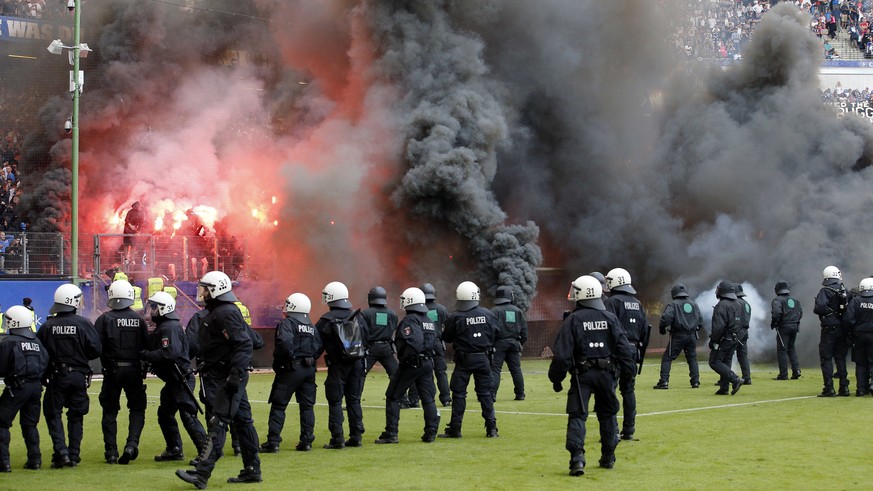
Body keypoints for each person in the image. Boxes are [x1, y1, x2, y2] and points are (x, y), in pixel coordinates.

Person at [175, 271, 261, 488]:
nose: (201, 292)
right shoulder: (222, 311)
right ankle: (252, 469)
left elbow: (244, 344)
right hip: (229, 375)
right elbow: (251, 340)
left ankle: (202, 474)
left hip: (227, 377)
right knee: (243, 422)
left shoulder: (224, 313)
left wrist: (234, 374)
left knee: (219, 421)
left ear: (215, 290)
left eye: (204, 288)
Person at [549, 275, 635, 476]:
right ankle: (608, 457)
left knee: (578, 415)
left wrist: (556, 379)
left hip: (582, 376)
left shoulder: (573, 320)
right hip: (607, 374)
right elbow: (625, 350)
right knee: (608, 415)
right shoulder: (610, 318)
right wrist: (627, 375)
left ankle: (577, 459)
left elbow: (562, 355)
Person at [37, 283, 102, 468]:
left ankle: (61, 452)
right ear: (72, 302)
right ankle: (73, 455)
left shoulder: (48, 325)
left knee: (53, 414)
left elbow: (40, 352)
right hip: (79, 376)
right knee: (76, 416)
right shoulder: (83, 324)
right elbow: (95, 350)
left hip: (57, 376)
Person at [142, 291, 207, 463]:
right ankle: (174, 449)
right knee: (165, 414)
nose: (152, 311)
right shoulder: (166, 326)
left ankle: (206, 453)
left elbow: (171, 353)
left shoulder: (169, 327)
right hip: (174, 380)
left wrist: (147, 355)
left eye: (154, 307)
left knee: (188, 416)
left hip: (180, 379)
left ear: (163, 309)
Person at [374, 287, 440, 444]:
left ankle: (391, 433)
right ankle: (430, 433)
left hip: (412, 364)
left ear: (409, 301)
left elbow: (414, 343)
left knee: (393, 396)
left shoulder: (410, 320)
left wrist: (407, 358)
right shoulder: (429, 320)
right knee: (428, 399)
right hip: (427, 363)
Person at [94, 279, 150, 465]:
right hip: (134, 370)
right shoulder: (139, 320)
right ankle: (131, 445)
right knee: (137, 409)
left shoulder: (104, 319)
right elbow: (146, 345)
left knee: (109, 411)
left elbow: (96, 347)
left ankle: (111, 452)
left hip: (112, 371)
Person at [260, 293, 323, 453]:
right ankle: (306, 441)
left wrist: (284, 361)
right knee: (307, 407)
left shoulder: (287, 323)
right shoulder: (311, 325)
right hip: (309, 369)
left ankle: (273, 442)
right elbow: (318, 346)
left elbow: (284, 343)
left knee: (279, 406)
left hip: (291, 369)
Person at [439, 281, 499, 439]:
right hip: (484, 359)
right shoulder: (488, 314)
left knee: (459, 394)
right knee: (485, 394)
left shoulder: (456, 316)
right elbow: (497, 333)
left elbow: (447, 337)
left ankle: (455, 429)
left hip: (464, 360)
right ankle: (492, 429)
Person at [315, 281, 367, 449]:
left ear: (330, 298)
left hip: (337, 365)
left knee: (335, 401)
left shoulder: (326, 320)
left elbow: (316, 345)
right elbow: (366, 338)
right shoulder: (358, 316)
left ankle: (337, 438)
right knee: (354, 400)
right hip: (357, 363)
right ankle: (356, 436)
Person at [0, 305, 50, 472]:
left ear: (14, 322)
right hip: (35, 388)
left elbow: (2, 367)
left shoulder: (9, 342)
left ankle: (3, 462)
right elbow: (45, 362)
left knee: (1, 422)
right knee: (30, 425)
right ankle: (35, 460)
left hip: (17, 387)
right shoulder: (36, 342)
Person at [604, 267, 649, 441]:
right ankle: (629, 429)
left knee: (610, 391)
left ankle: (612, 430)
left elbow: (608, 327)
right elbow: (645, 331)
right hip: (633, 352)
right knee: (628, 390)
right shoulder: (637, 304)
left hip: (615, 352)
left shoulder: (612, 302)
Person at [653, 283, 702, 390]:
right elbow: (700, 321)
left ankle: (664, 381)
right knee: (692, 358)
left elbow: (666, 318)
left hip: (678, 336)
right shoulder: (694, 304)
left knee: (667, 358)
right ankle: (695, 382)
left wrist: (662, 329)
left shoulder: (673, 305)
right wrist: (695, 329)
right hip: (692, 336)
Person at [814, 265, 851, 396]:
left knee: (826, 358)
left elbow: (819, 308)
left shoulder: (825, 291)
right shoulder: (844, 290)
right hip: (843, 328)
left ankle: (829, 388)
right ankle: (844, 387)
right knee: (840, 358)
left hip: (829, 328)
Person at [490, 285, 528, 401]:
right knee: (516, 369)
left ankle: (492, 395)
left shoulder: (494, 311)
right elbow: (524, 332)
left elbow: (490, 330)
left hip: (499, 344)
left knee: (496, 369)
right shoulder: (518, 311)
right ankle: (520, 394)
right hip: (514, 343)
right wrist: (519, 342)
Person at [708, 281, 745, 395]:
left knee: (714, 362)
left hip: (724, 339)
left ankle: (735, 379)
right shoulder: (738, 304)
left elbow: (718, 327)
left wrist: (714, 340)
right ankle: (724, 388)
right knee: (726, 362)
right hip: (735, 338)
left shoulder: (721, 306)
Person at [421, 283, 451, 407]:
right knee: (440, 372)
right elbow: (448, 327)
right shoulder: (442, 309)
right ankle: (446, 398)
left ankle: (424, 398)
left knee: (422, 371)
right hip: (437, 343)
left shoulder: (419, 310)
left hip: (423, 344)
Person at [842, 278, 873, 397]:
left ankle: (860, 389)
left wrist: (850, 333)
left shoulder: (855, 301)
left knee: (860, 363)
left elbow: (848, 319)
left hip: (858, 336)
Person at [362, 286, 399, 381]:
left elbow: (361, 332)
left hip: (370, 348)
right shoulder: (392, 314)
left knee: (360, 374)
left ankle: (354, 396)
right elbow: (394, 328)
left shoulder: (365, 314)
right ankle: (401, 396)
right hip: (386, 349)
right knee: (396, 374)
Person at [771, 281, 803, 381]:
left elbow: (776, 313)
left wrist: (774, 323)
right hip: (794, 326)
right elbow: (800, 313)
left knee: (782, 350)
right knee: (791, 348)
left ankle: (783, 375)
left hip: (784, 327)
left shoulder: (777, 300)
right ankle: (796, 370)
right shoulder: (795, 300)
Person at [735, 284, 752, 385]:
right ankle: (747, 377)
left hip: (736, 331)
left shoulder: (735, 303)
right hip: (745, 332)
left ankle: (725, 379)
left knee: (726, 355)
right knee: (743, 355)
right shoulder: (746, 304)